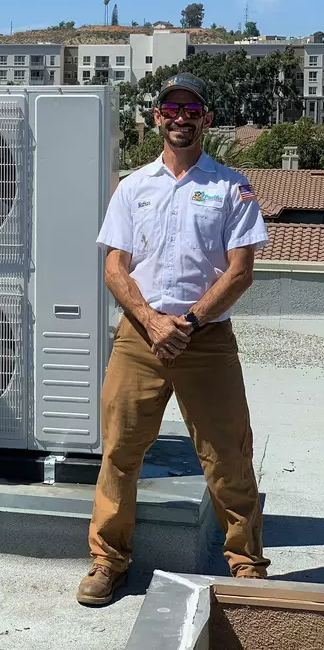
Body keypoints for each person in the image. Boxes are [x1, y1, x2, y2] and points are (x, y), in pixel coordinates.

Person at [77, 73, 270, 607]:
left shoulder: (232, 187)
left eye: (191, 109)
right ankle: (108, 561)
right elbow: (115, 267)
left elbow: (240, 271)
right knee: (119, 452)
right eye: (171, 108)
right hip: (139, 338)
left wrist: (186, 322)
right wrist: (151, 320)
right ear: (157, 117)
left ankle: (247, 566)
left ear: (206, 119)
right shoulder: (133, 187)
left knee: (228, 454)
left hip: (204, 340)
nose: (180, 117)